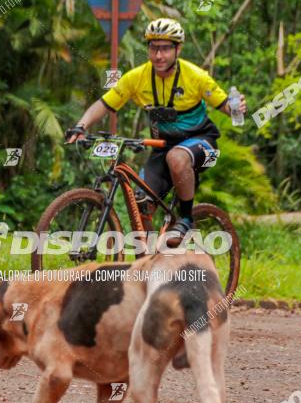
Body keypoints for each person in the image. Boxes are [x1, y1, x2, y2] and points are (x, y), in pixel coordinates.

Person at [65, 18, 247, 241]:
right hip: (161, 147)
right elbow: (105, 104)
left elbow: (227, 106)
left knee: (177, 157)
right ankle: (152, 259)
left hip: (202, 142)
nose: (158, 55)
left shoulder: (196, 76)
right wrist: (80, 126)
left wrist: (237, 107)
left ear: (178, 49)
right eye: (153, 48)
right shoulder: (136, 77)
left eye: (165, 48)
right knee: (140, 205)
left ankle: (187, 218)